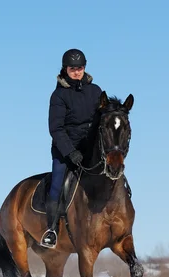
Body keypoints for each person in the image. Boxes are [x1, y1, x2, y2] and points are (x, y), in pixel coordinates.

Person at [40, 48, 102, 248]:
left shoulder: (95, 91)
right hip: (65, 149)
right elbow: (55, 128)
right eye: (73, 68)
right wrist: (70, 152)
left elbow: (102, 120)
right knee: (57, 184)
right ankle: (51, 230)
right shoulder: (58, 95)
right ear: (65, 69)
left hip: (89, 148)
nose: (77, 72)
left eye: (80, 68)